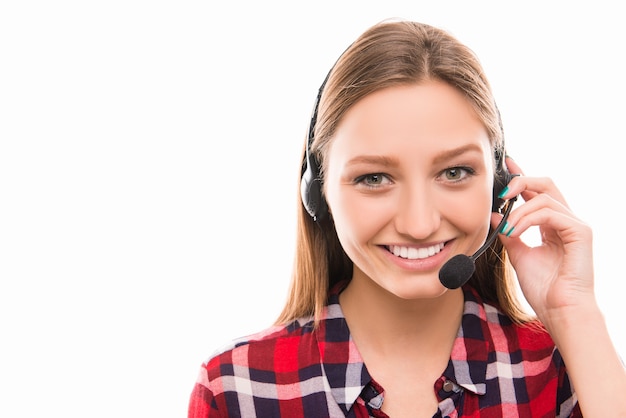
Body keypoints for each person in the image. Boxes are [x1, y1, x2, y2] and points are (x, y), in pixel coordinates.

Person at [188, 19, 626, 417]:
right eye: (374, 177)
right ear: (317, 192)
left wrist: (575, 314)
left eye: (455, 172)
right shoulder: (236, 388)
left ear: (499, 184)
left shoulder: (562, 369)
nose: (419, 224)